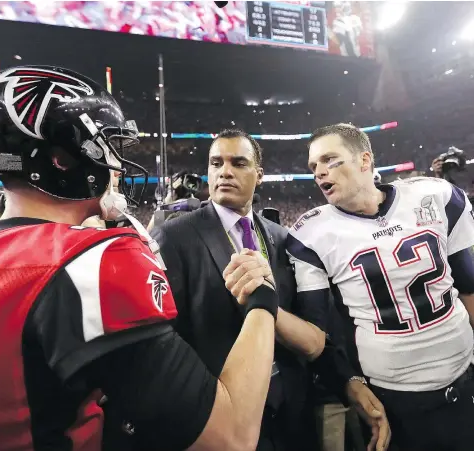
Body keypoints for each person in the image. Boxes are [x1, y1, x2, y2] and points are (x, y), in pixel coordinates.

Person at [0, 66, 283, 451]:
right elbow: (231, 437)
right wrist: (263, 302)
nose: (115, 163)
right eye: (106, 146)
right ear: (63, 161)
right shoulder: (90, 262)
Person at [152, 129, 390, 451]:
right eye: (216, 163)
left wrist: (347, 381)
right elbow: (167, 341)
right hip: (220, 419)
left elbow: (310, 328)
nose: (225, 171)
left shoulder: (283, 238)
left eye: (238, 163)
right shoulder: (175, 237)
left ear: (259, 175)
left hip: (291, 415)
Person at [289, 123, 474, 451]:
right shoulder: (311, 234)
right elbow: (318, 332)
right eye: (313, 167)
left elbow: (470, 286)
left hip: (466, 377)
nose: (318, 172)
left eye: (329, 160)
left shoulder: (436, 196)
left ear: (364, 161)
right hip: (393, 399)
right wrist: (351, 384)